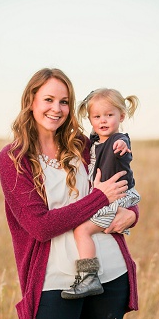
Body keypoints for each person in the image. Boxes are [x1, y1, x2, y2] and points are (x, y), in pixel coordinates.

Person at [0, 68, 139, 319]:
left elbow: (120, 184)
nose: (57, 109)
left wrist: (132, 213)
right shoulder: (14, 159)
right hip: (56, 281)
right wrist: (96, 200)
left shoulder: (84, 143)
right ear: (31, 101)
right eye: (48, 100)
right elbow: (40, 226)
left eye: (63, 101)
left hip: (108, 272)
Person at [62, 88, 142, 299]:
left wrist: (121, 145)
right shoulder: (96, 141)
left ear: (121, 116)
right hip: (111, 198)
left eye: (109, 115)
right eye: (97, 116)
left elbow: (123, 142)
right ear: (90, 119)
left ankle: (89, 276)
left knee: (82, 230)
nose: (103, 120)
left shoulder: (118, 140)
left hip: (116, 199)